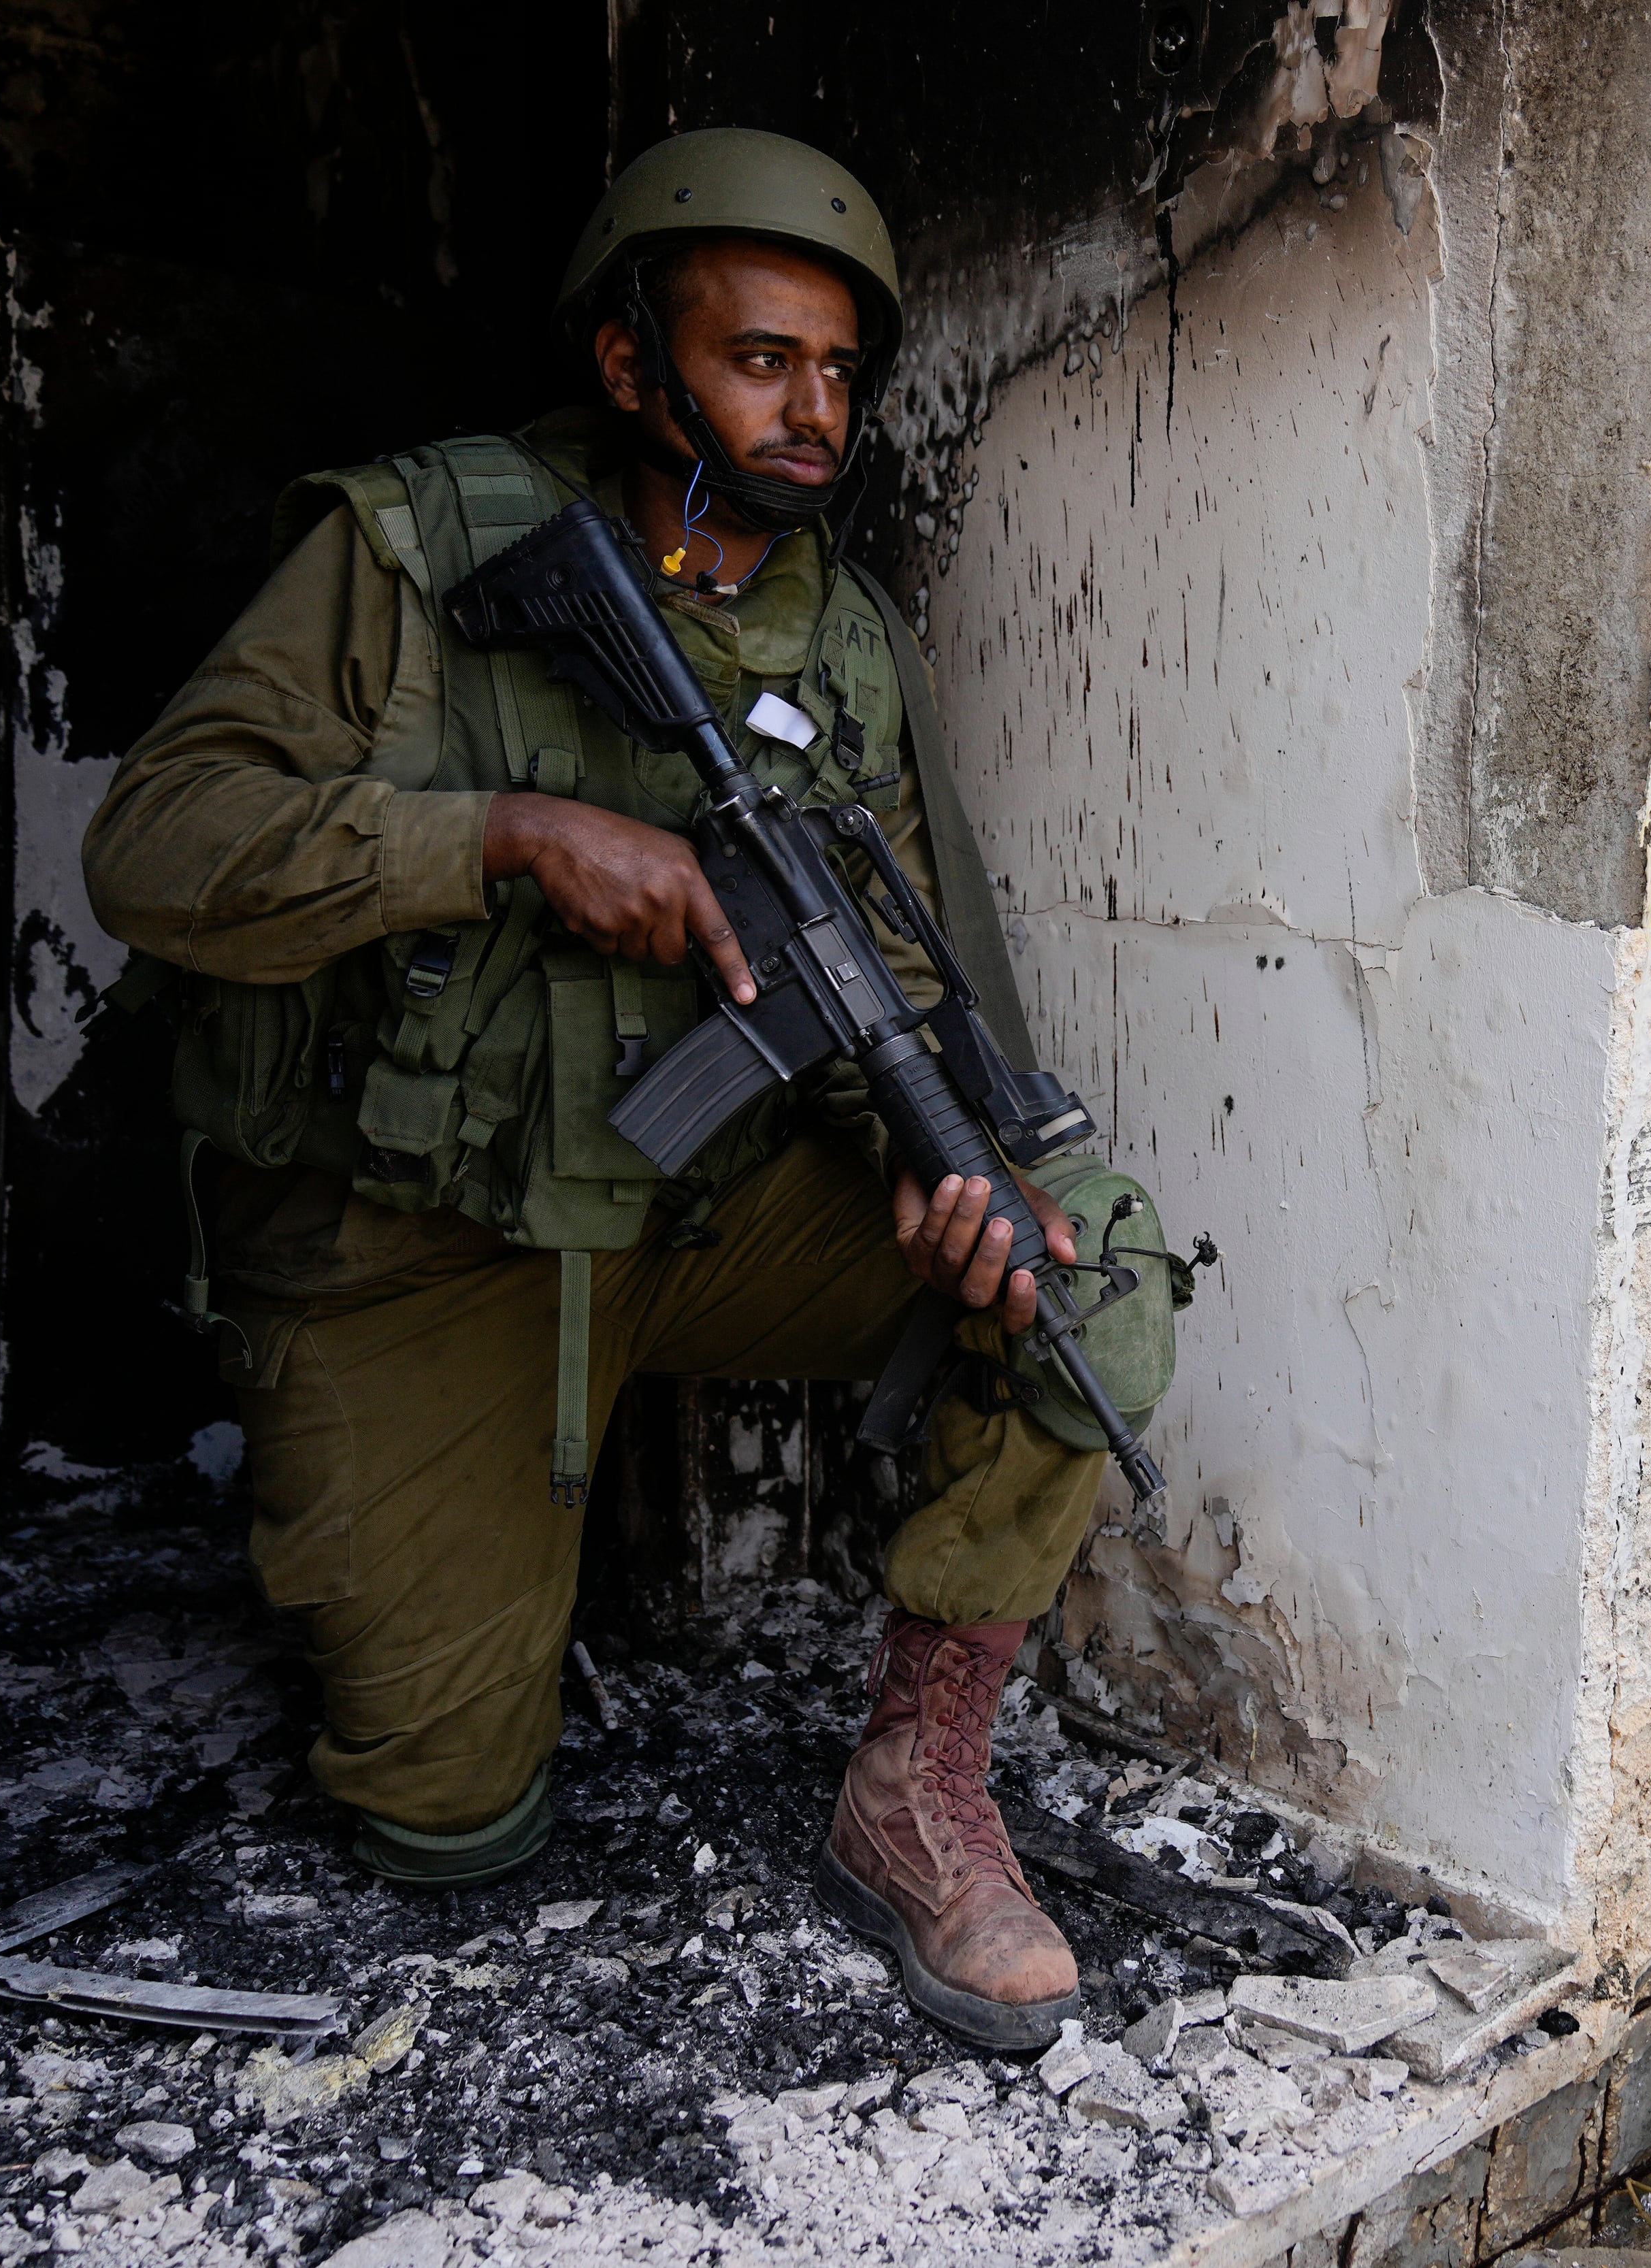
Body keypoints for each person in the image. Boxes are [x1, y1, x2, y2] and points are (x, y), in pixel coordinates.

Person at [81, 128, 1168, 2051]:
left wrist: (953, 1170)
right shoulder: (415, 547)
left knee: (1085, 1273)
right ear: (627, 367)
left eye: (839, 370)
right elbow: (154, 849)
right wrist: (497, 837)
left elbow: (895, 976)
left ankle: (915, 1791)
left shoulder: (838, 639)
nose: (812, 408)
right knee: (443, 1824)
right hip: (426, 1239)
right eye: (762, 358)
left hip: (695, 1213)